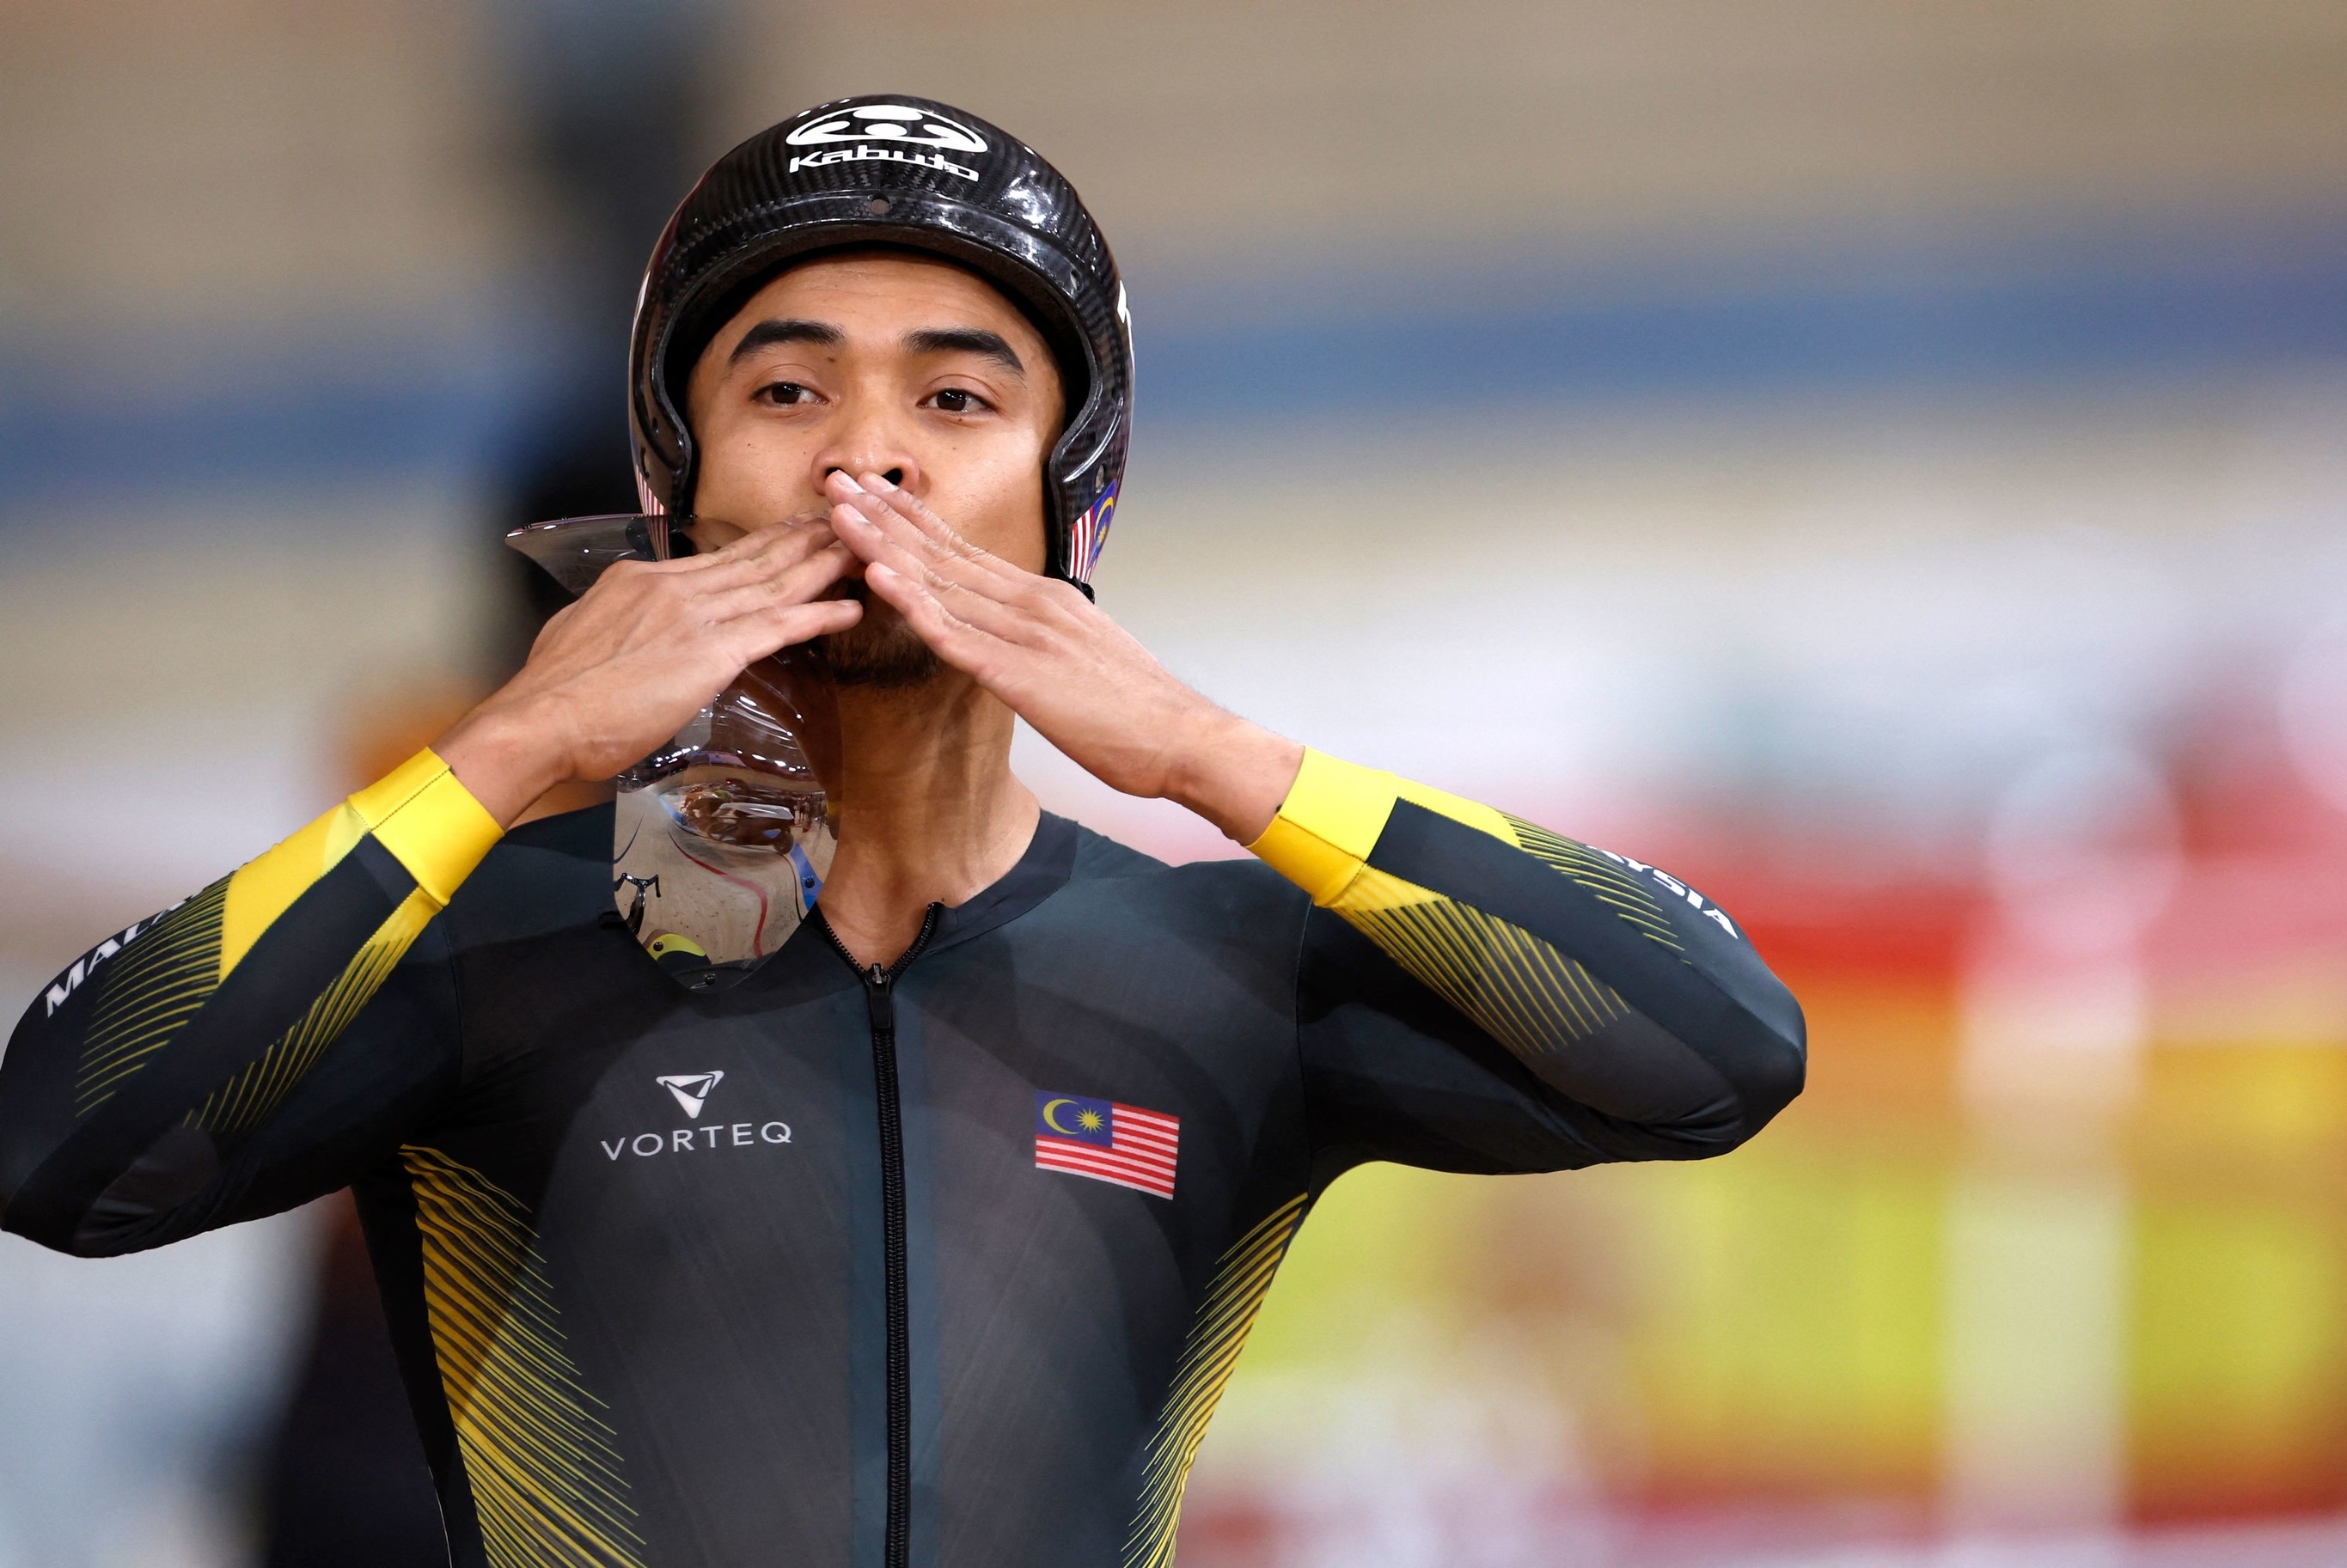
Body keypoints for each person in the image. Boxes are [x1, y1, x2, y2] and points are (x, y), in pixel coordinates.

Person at [0, 95, 1805, 1568]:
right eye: (786, 394)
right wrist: (515, 748)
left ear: (1074, 496)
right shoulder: (501, 957)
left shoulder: (1226, 968)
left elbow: (1721, 1048)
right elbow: (62, 1147)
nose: (867, 466)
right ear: (674, 491)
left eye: (958, 396)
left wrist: (1210, 752)